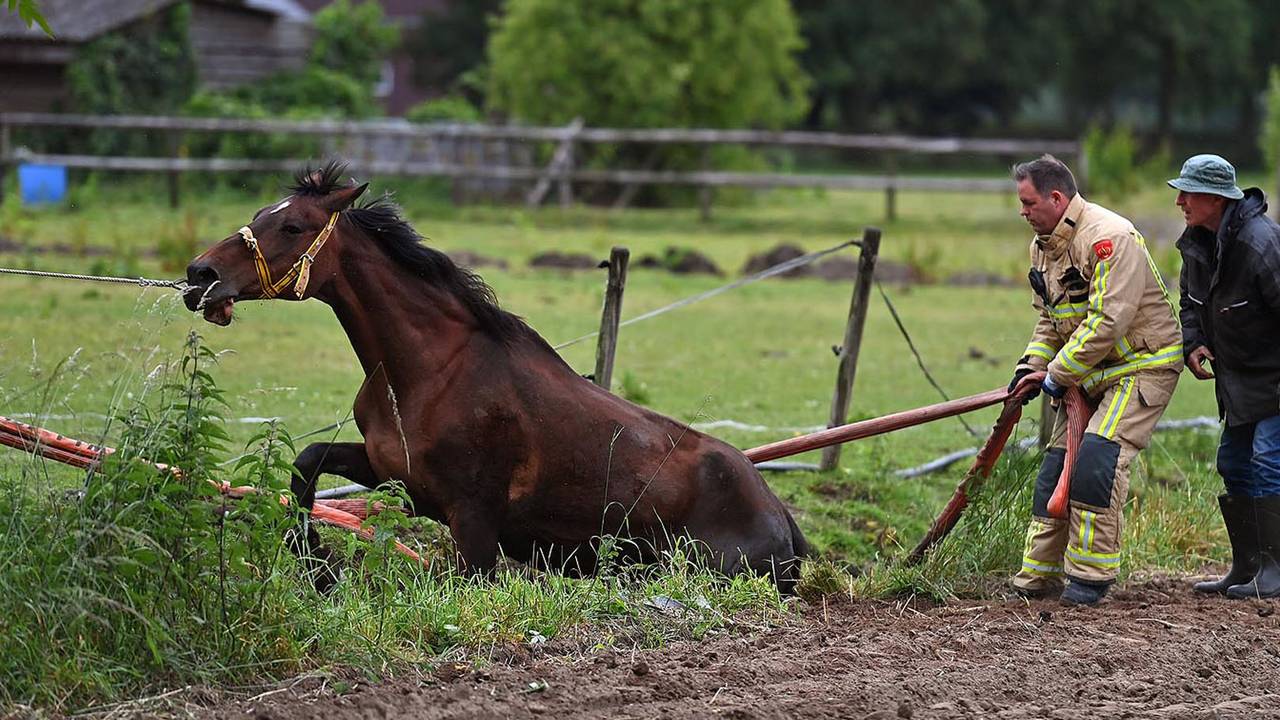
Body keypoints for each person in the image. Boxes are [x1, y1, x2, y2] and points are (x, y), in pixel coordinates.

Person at [1007, 154, 1183, 606]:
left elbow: (1109, 321)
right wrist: (1031, 366)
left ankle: (1090, 578)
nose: (1022, 212)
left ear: (1057, 197)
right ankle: (1039, 576)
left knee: (1099, 460)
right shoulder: (1042, 246)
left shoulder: (1110, 238)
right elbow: (1051, 319)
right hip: (1088, 376)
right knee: (1055, 470)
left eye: (1028, 203)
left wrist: (1058, 374)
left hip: (1141, 367)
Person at [1172, 154, 1280, 600]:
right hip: (1235, 381)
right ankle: (1247, 566)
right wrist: (1193, 342)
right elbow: (1189, 303)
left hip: (1274, 379)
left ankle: (1275, 568)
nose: (1180, 201)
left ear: (1216, 199)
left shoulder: (1261, 245)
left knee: (1268, 462)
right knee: (1233, 464)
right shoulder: (1198, 244)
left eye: (1189, 193)